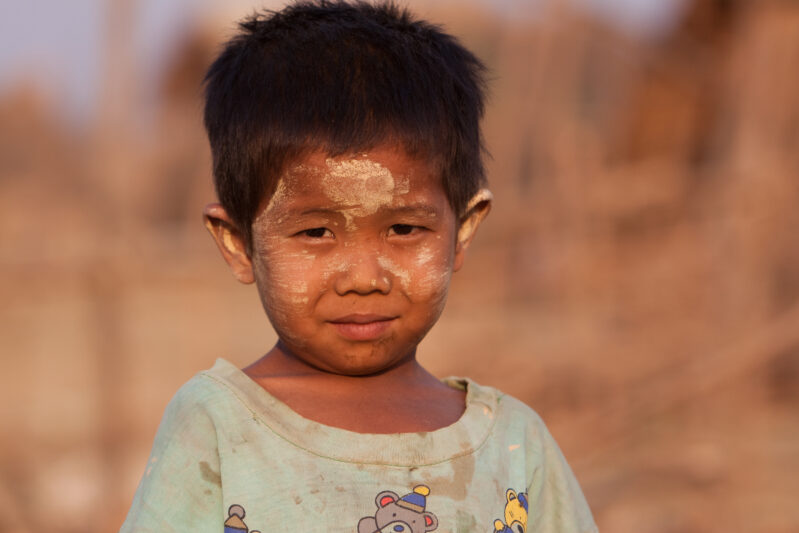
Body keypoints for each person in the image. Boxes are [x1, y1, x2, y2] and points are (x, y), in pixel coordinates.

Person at [120, 1, 597, 532]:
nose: (365, 279)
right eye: (315, 232)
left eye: (404, 230)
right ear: (238, 244)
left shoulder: (513, 445)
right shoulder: (218, 429)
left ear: (463, 230)